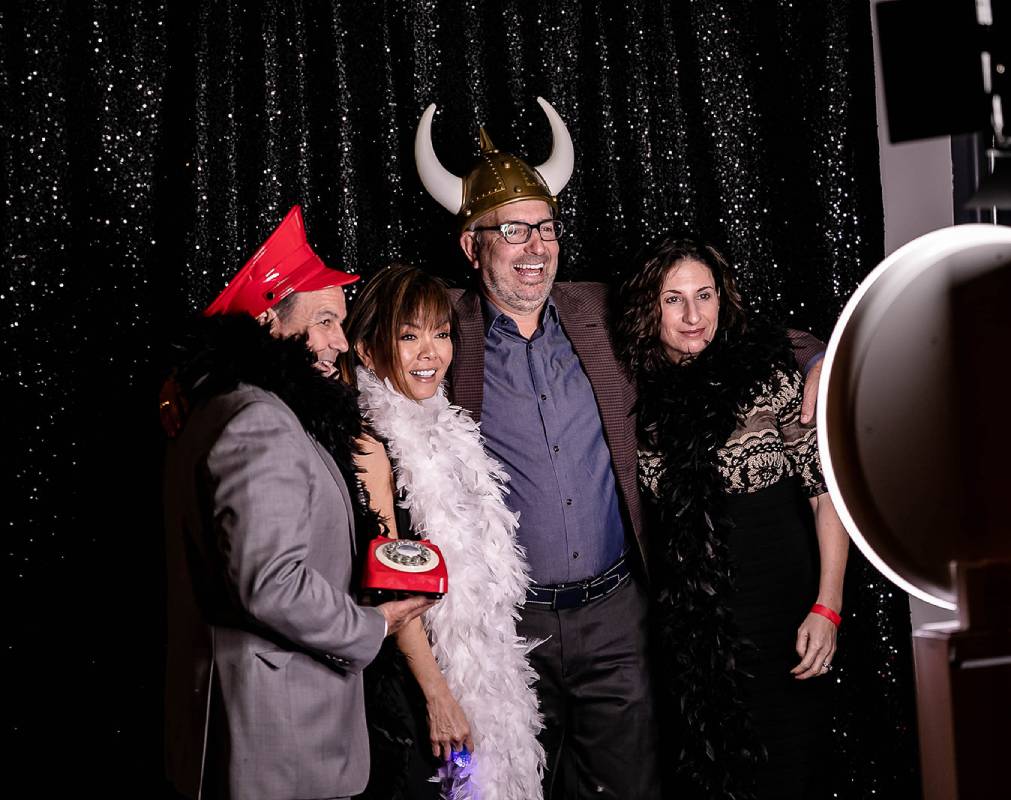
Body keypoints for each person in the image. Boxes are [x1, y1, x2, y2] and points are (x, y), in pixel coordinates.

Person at [413, 99, 827, 799]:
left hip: (616, 615)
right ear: (470, 247)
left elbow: (710, 327)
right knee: (501, 786)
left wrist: (813, 355)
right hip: (510, 627)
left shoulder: (598, 310)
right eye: (511, 231)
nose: (534, 247)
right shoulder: (440, 333)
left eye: (544, 228)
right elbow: (357, 356)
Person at [162, 206, 433, 800]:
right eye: (327, 320)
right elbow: (270, 583)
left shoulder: (231, 407)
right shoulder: (260, 422)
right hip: (275, 741)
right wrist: (372, 624)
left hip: (262, 731)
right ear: (266, 321)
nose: (341, 341)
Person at [615, 233, 849, 800]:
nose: (694, 315)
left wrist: (829, 605)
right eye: (674, 299)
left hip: (785, 612)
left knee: (791, 772)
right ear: (649, 307)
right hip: (694, 632)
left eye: (705, 295)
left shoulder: (770, 375)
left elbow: (825, 495)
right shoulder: (632, 394)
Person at [339, 264, 544, 800]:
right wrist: (437, 694)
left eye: (440, 333)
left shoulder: (446, 426)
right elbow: (390, 584)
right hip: (414, 678)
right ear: (365, 349)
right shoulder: (370, 444)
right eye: (408, 336)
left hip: (475, 662)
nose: (430, 352)